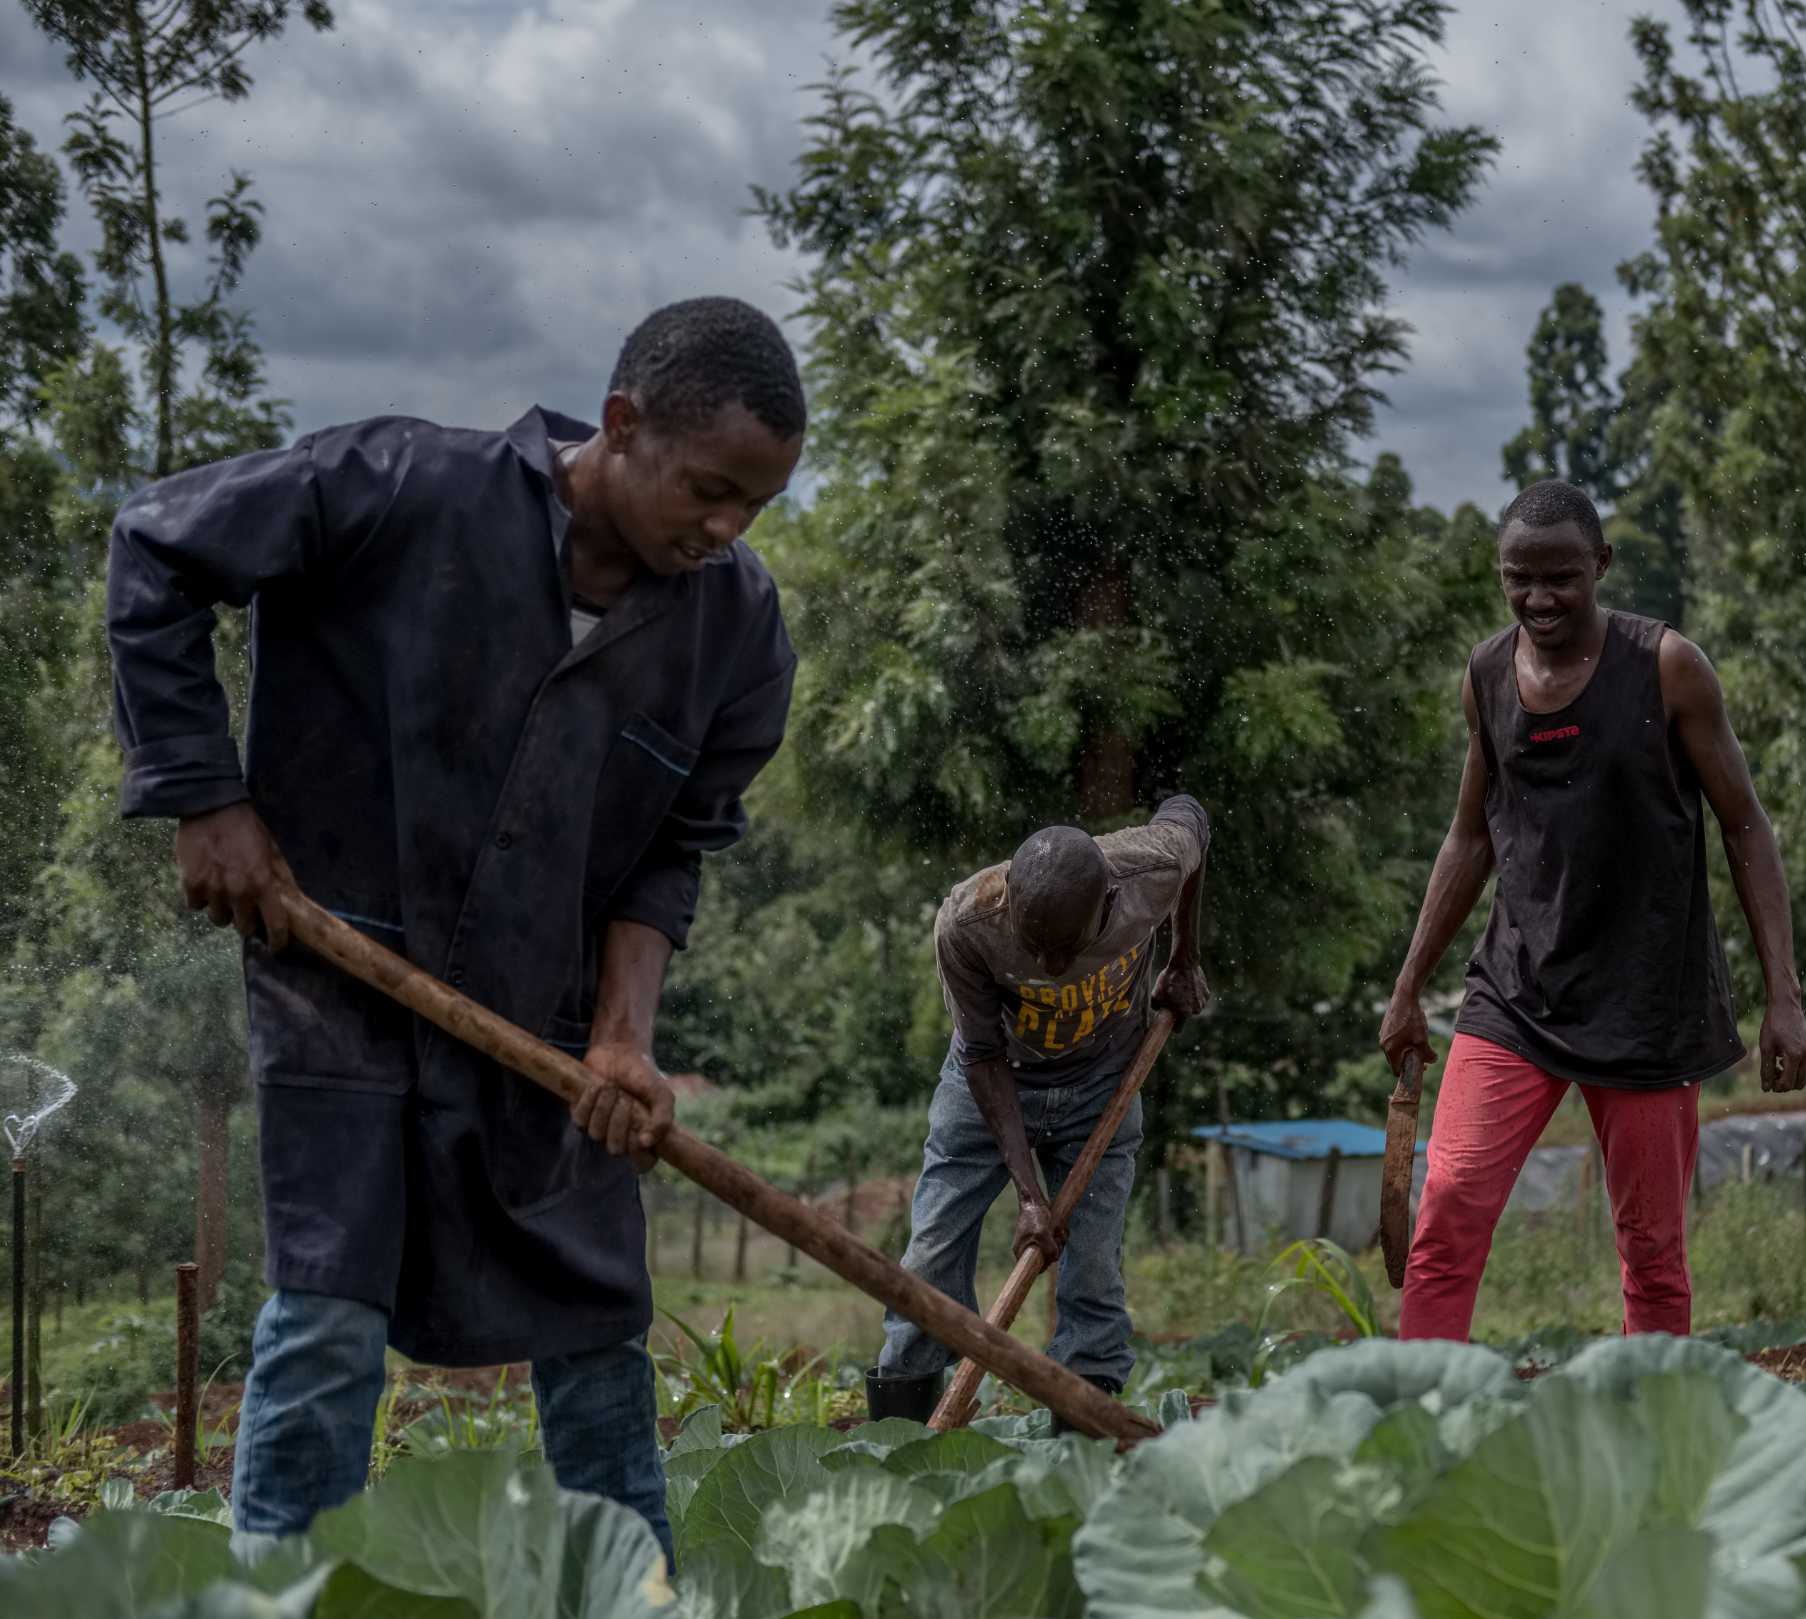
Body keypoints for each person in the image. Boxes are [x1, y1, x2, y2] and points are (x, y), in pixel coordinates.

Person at [105, 296, 808, 1555]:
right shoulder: (397, 489)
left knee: (597, 1330)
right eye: (709, 490)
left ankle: (628, 1593)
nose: (726, 530)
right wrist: (204, 793)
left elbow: (668, 853)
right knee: (327, 1316)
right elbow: (157, 548)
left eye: (753, 507)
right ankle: (280, 1593)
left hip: (548, 1016)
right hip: (339, 970)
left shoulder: (738, 632)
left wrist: (624, 1040)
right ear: (619, 423)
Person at [1377, 479, 1806, 1342]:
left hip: (1648, 1002)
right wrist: (1406, 986)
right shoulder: (1487, 676)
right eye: (1519, 578)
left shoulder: (1666, 668)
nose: (1539, 598)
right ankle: (1418, 1426)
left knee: (1652, 1254)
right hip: (1516, 991)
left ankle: (1649, 1443)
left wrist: (1784, 994)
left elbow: (1745, 825)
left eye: (1562, 578)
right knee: (1450, 1208)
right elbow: (1470, 840)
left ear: (1602, 566)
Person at [868, 796, 1211, 1425]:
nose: (1052, 969)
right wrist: (1030, 1196)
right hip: (993, 1087)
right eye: (1037, 949)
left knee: (1094, 1271)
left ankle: (1082, 1424)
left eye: (1067, 950)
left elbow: (1190, 818)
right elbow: (981, 1057)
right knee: (931, 1252)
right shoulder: (967, 923)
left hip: (1103, 1086)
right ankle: (904, 1425)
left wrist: (1183, 957)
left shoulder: (1148, 870)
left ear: (1107, 903)